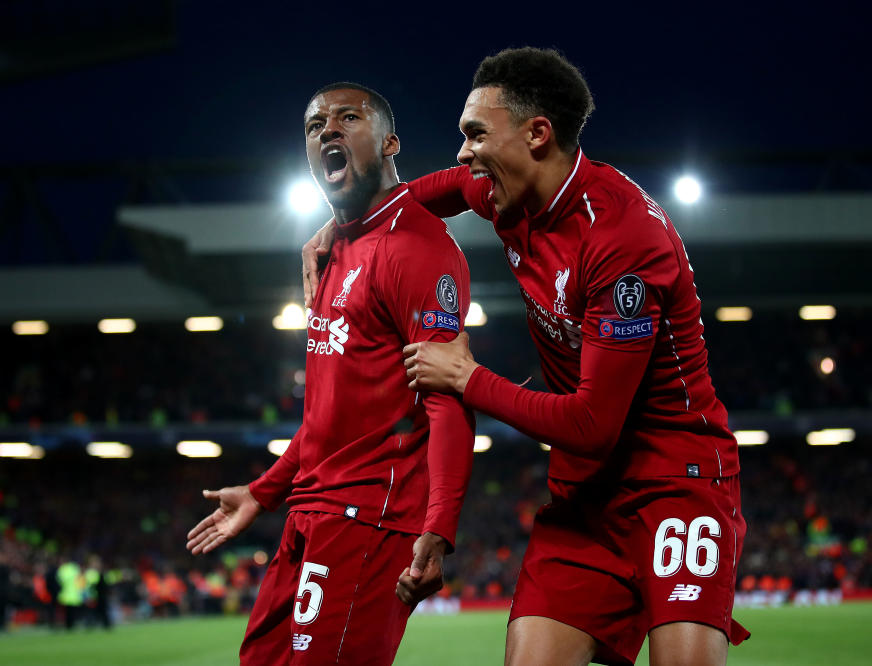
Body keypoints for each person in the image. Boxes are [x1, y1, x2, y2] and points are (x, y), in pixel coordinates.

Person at [302, 49, 748, 666]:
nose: (463, 153)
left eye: (476, 134)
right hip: (584, 496)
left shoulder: (623, 239)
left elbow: (593, 425)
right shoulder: (506, 196)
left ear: (537, 134)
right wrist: (347, 227)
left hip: (676, 480)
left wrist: (467, 377)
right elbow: (438, 190)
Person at [187, 82, 476, 666]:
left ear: (391, 141)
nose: (328, 131)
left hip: (368, 516)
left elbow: (450, 399)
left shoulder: (417, 249)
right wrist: (263, 493)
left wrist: (440, 527)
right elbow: (327, 420)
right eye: (316, 126)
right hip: (308, 512)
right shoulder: (331, 254)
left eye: (348, 118)